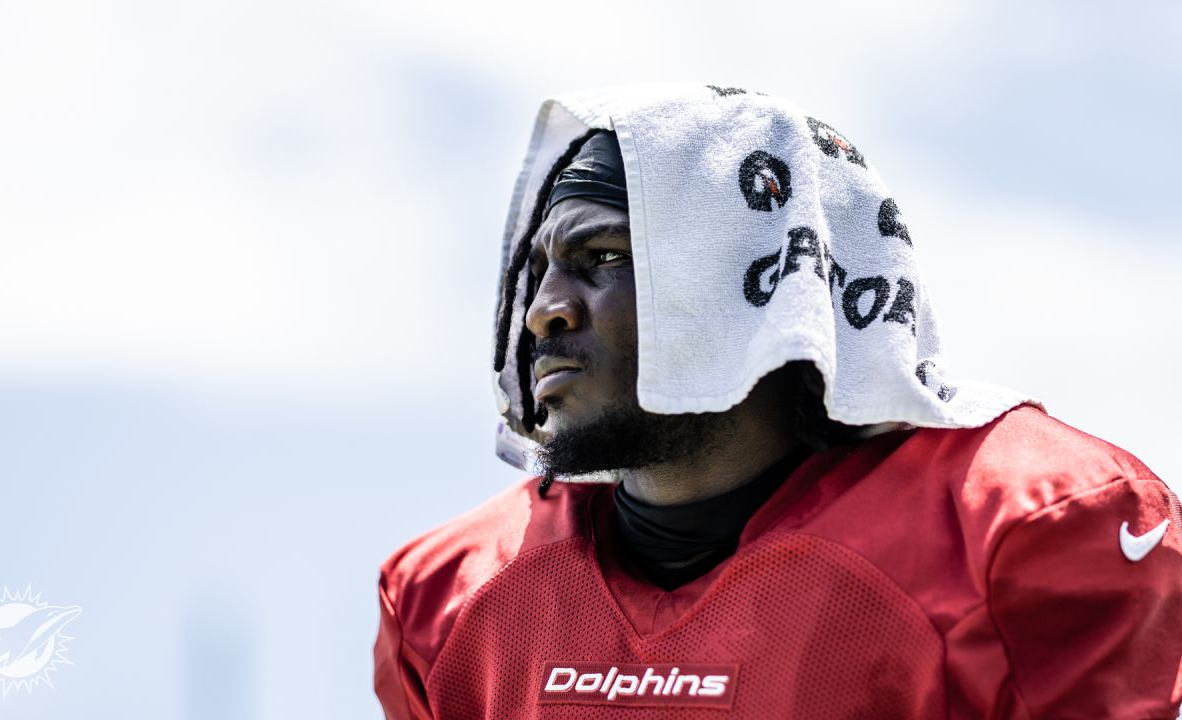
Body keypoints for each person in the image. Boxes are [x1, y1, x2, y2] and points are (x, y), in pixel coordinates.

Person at [373, 84, 1182, 719]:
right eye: (540, 268)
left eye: (605, 255)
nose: (544, 309)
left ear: (759, 277)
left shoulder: (1023, 528)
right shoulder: (448, 594)